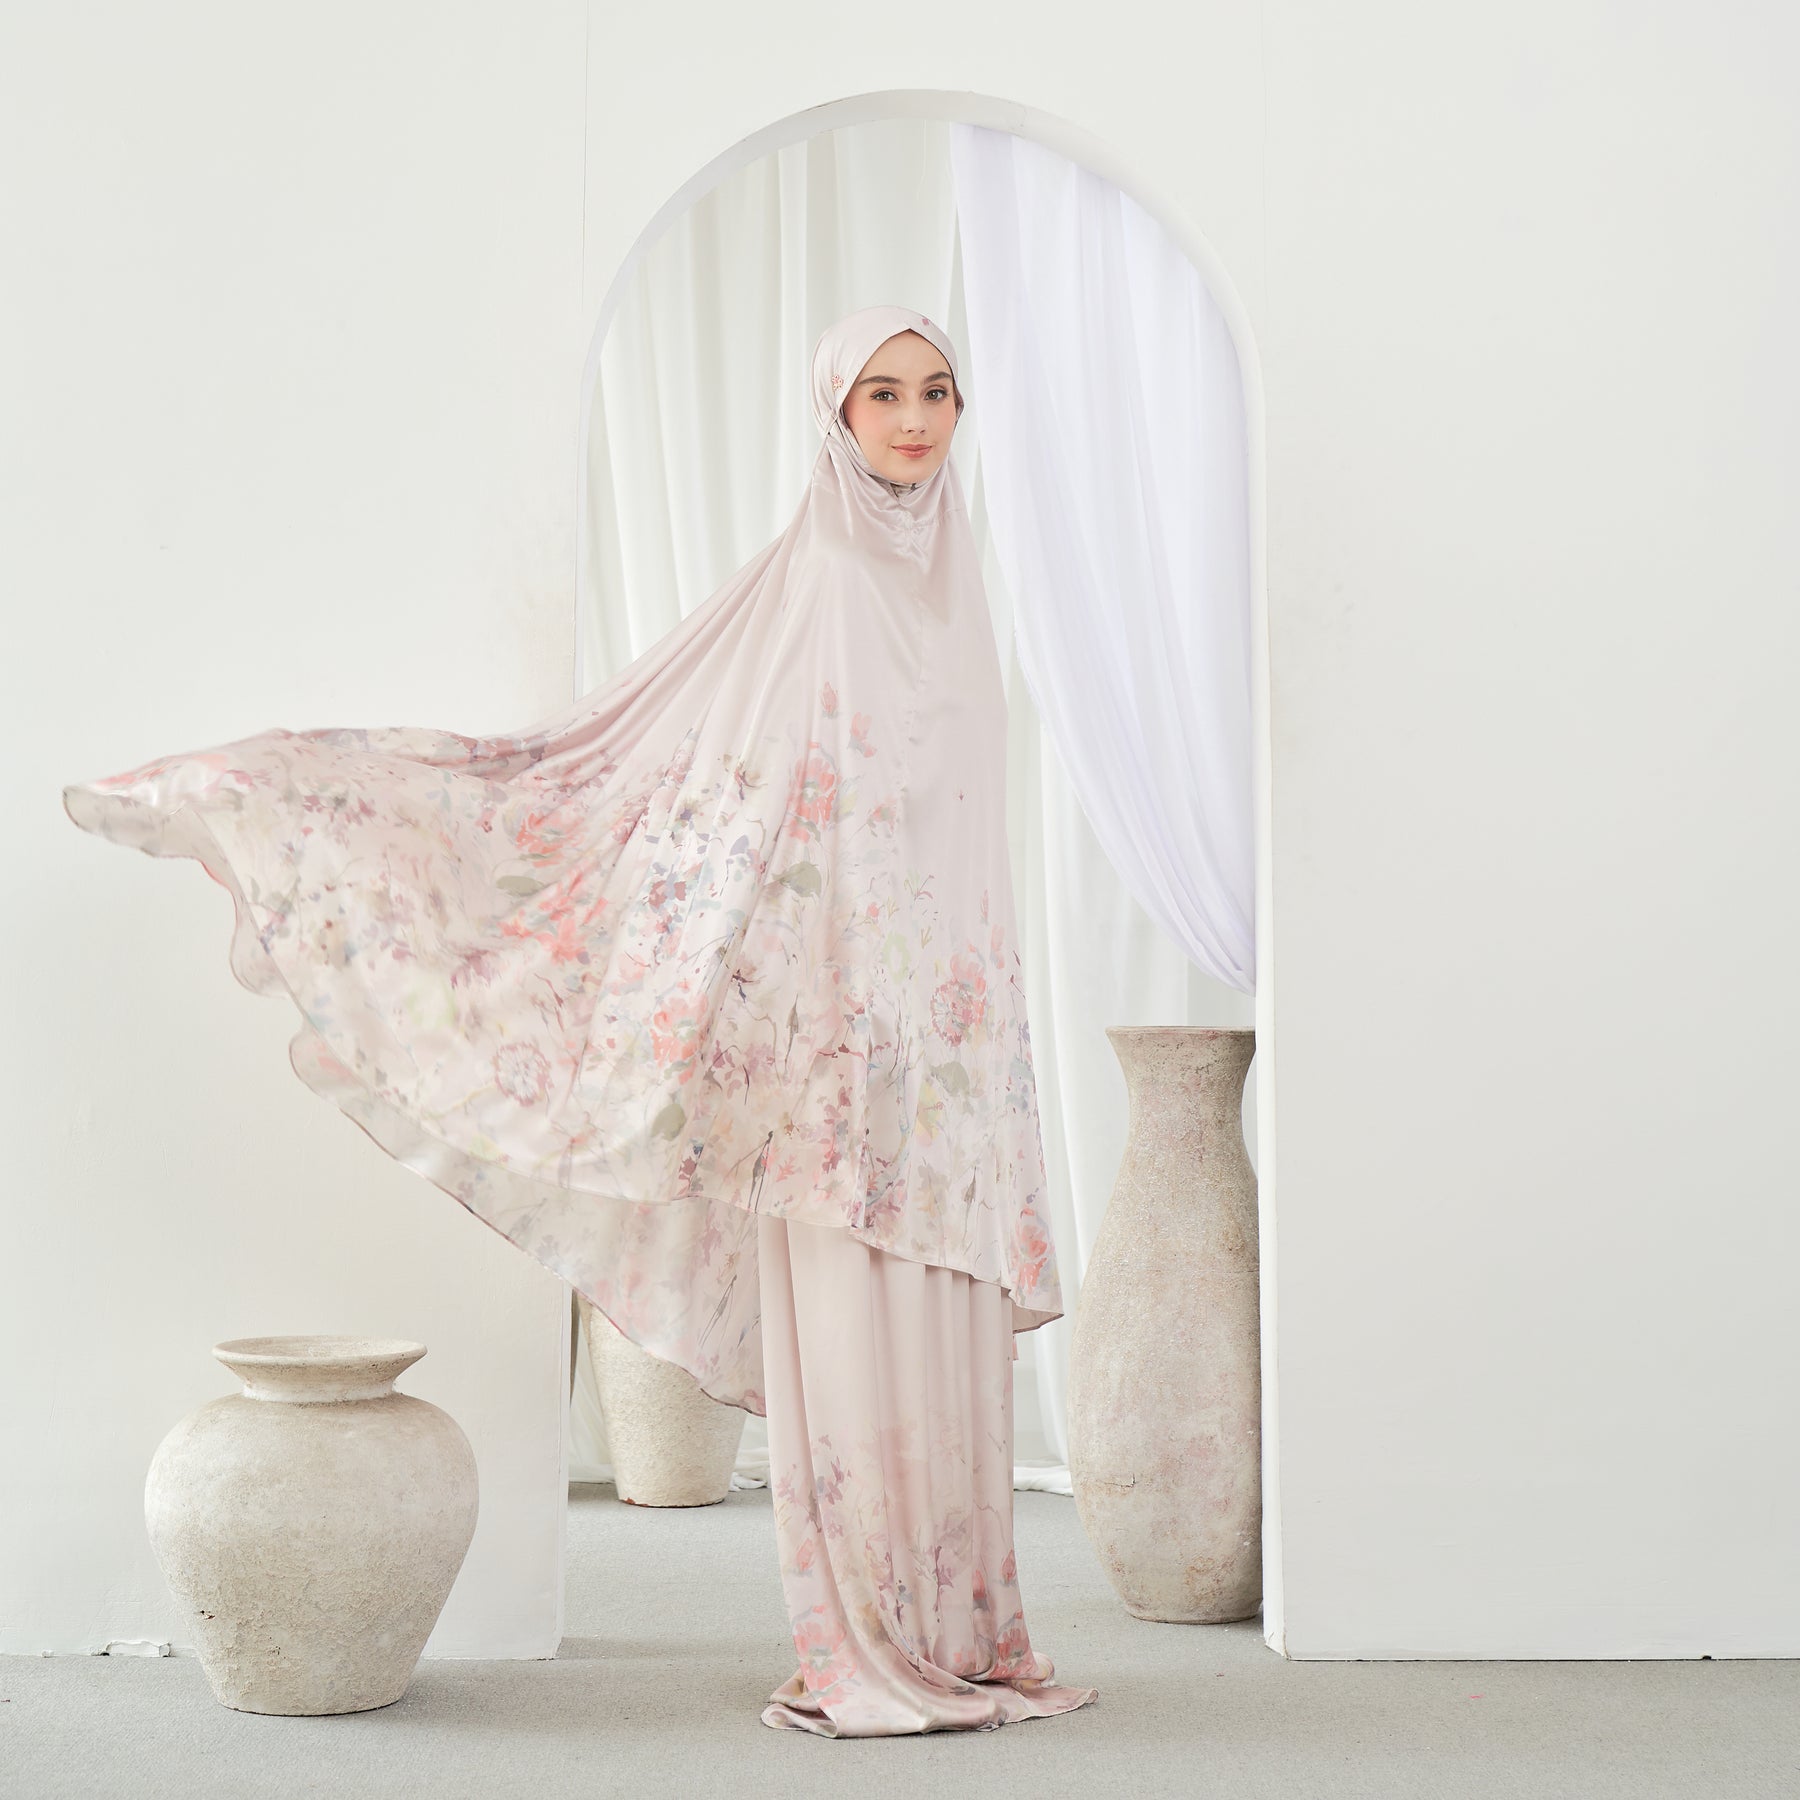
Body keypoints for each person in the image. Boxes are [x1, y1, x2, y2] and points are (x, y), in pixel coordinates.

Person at [62, 302, 1097, 1737]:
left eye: (936, 391)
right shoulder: (819, 582)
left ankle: (959, 1631)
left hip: (946, 1049)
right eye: (882, 395)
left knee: (937, 1322)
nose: (915, 419)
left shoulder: (956, 585)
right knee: (859, 1339)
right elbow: (724, 790)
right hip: (830, 1044)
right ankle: (872, 1636)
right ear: (834, 415)